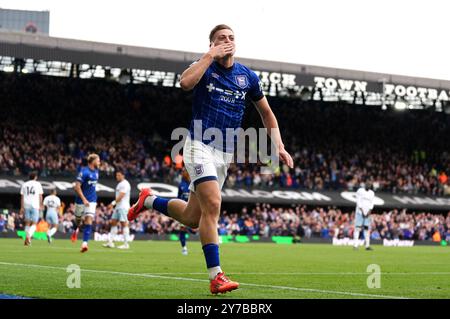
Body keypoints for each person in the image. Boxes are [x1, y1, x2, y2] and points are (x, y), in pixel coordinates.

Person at [128, 24, 293, 294]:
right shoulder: (205, 66)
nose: (227, 41)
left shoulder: (247, 77)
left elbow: (266, 113)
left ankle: (147, 199)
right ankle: (216, 276)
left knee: (193, 217)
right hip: (198, 145)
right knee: (213, 204)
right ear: (212, 44)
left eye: (231, 38)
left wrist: (279, 145)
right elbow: (184, 83)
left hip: (224, 154)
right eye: (220, 39)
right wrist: (208, 56)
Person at [72, 154, 100, 253]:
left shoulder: (97, 172)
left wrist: (88, 199)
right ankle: (75, 230)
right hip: (81, 200)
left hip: (92, 200)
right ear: (92, 161)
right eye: (98, 160)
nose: (99, 162)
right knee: (78, 220)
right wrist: (84, 199)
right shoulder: (84, 172)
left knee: (89, 220)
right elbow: (77, 187)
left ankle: (84, 244)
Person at [103, 170, 131, 249]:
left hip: (123, 207)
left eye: (118, 175)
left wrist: (112, 203)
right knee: (113, 223)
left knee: (124, 224)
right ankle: (110, 242)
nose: (117, 177)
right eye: (116, 175)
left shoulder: (125, 184)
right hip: (118, 207)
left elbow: (122, 195)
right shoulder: (120, 184)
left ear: (123, 175)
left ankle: (126, 244)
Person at [20, 171, 43, 246]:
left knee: (27, 223)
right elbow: (40, 196)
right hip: (35, 205)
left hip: (26, 205)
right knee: (34, 223)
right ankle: (28, 236)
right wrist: (41, 204)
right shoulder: (38, 184)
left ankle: (27, 239)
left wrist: (22, 207)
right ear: (35, 177)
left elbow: (22, 197)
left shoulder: (24, 184)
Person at [177, 167, 196, 255]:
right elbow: (178, 198)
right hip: (183, 209)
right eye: (184, 171)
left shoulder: (194, 184)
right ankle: (184, 247)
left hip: (193, 209)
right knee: (182, 229)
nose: (184, 173)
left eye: (186, 171)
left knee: (194, 229)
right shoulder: (181, 185)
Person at [353, 180, 375, 250]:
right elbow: (358, 201)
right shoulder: (360, 191)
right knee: (357, 229)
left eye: (369, 185)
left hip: (367, 213)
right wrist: (362, 211)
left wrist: (369, 211)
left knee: (366, 229)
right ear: (365, 185)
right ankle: (355, 245)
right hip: (360, 212)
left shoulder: (372, 193)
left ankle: (367, 246)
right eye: (367, 184)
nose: (368, 186)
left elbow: (372, 203)